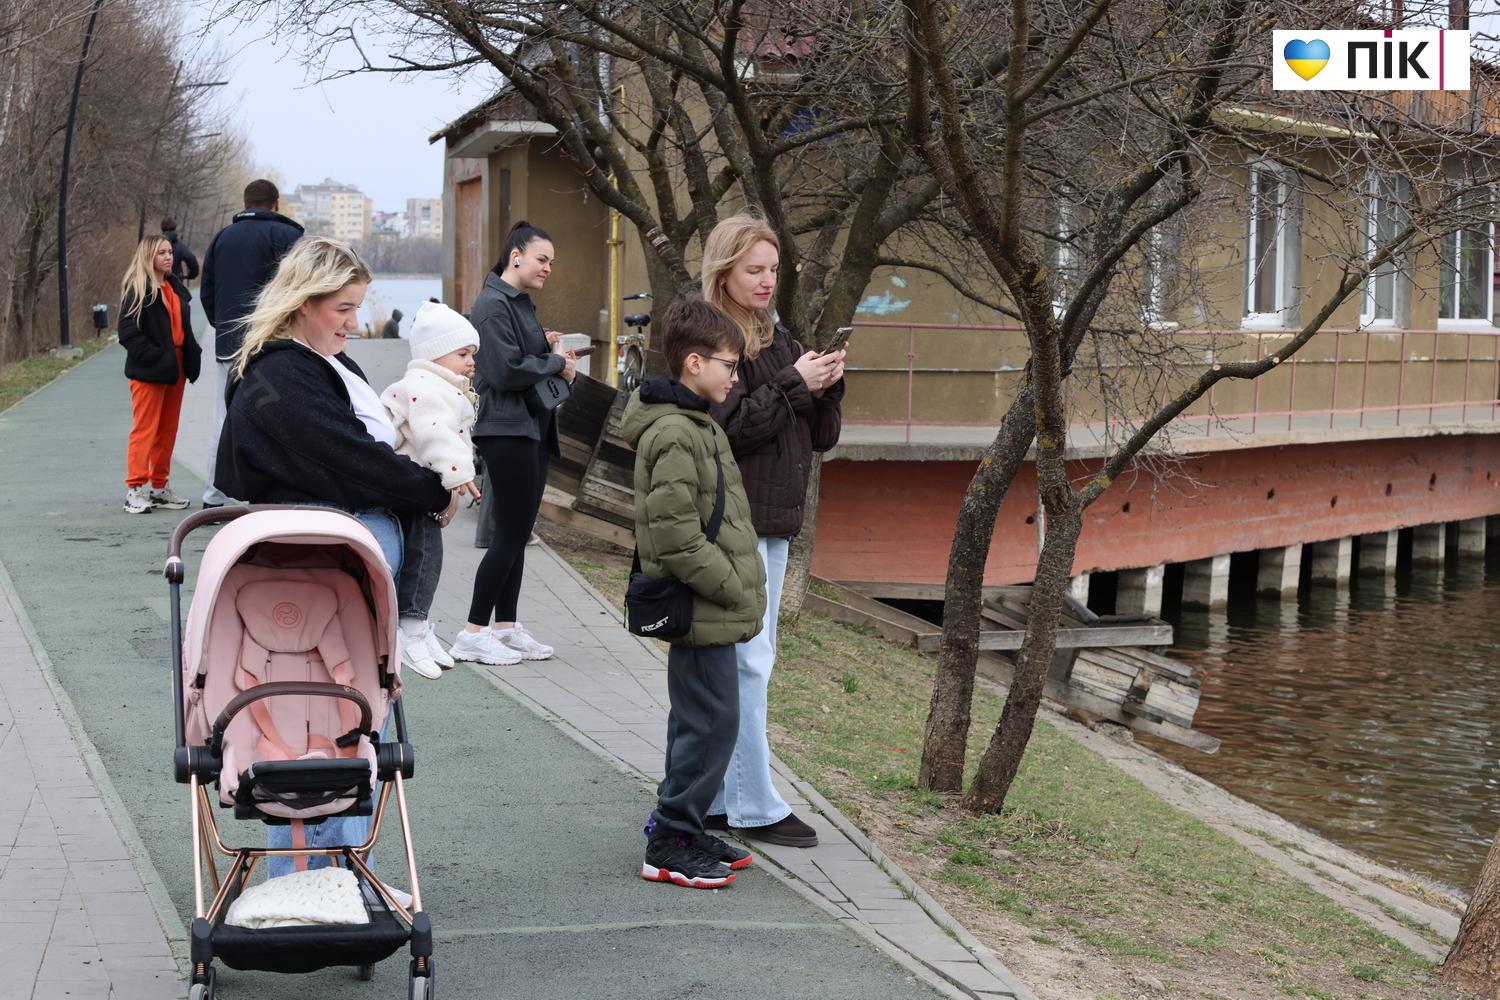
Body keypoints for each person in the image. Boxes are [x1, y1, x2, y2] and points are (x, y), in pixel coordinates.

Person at [215, 236, 457, 894]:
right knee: (334, 719)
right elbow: (349, 457)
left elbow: (354, 450)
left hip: (338, 565)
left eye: (356, 308)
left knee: (333, 717)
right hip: (328, 568)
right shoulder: (282, 373)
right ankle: (332, 876)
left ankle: (328, 875)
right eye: (343, 308)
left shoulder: (311, 363)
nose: (353, 321)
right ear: (304, 302)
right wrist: (430, 490)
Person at [703, 213, 845, 849]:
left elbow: (819, 439)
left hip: (771, 521)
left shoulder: (776, 337)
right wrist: (794, 385)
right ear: (724, 271)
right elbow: (726, 429)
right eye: (754, 270)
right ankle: (753, 804)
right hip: (737, 523)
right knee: (748, 663)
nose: (767, 281)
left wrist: (828, 388)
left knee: (741, 662)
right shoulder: (714, 337)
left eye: (773, 271)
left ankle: (713, 796)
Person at [620, 297, 766, 889]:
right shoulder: (679, 431)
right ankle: (671, 842)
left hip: (712, 607)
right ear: (693, 362)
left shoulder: (695, 422)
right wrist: (732, 589)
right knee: (711, 725)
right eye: (729, 365)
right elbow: (676, 535)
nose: (735, 376)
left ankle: (680, 824)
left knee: (701, 722)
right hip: (704, 604)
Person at [450, 221, 575, 666]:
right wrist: (554, 362)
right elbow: (503, 370)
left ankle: (505, 627)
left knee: (516, 532)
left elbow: (520, 355)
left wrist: (545, 347)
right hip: (506, 429)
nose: (547, 268)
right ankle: (471, 632)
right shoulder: (490, 304)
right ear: (516, 255)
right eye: (542, 259)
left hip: (528, 428)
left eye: (551, 263)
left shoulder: (518, 304)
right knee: (508, 535)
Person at [379, 301, 483, 679]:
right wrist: (457, 474)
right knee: (422, 558)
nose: (471, 361)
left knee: (426, 558)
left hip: (418, 487)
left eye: (471, 354)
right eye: (462, 354)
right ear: (434, 354)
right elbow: (435, 434)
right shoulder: (426, 388)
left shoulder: (438, 385)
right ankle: (411, 626)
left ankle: (417, 625)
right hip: (412, 490)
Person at [199, 179, 305, 507]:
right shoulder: (288, 237)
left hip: (230, 345)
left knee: (224, 417)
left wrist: (225, 327)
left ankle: (213, 497)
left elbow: (207, 292)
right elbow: (302, 289)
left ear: (245, 204)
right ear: (276, 204)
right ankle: (274, 494)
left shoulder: (221, 239)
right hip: (274, 345)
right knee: (277, 417)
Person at [117, 234, 203, 514]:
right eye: (161, 253)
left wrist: (191, 354)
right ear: (148, 257)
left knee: (167, 430)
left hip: (175, 368)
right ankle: (135, 489)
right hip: (150, 369)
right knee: (145, 429)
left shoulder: (174, 286)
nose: (168, 257)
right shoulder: (138, 289)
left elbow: (182, 328)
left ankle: (159, 487)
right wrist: (155, 357)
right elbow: (127, 333)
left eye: (169, 252)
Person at [160, 218, 199, 282]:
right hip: (175, 282)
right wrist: (192, 274)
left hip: (158, 281)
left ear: (162, 228)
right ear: (175, 228)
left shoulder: (155, 244)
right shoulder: (179, 246)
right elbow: (191, 259)